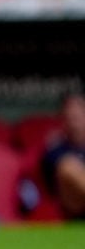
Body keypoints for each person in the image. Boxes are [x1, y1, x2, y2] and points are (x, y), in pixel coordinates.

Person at [40, 91, 85, 220]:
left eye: (79, 113)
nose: (73, 119)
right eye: (69, 114)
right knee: (68, 166)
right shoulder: (56, 149)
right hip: (75, 211)